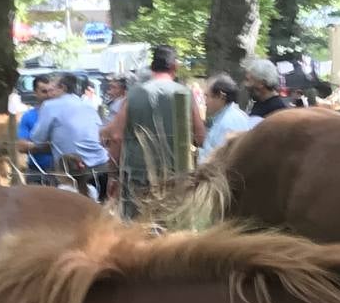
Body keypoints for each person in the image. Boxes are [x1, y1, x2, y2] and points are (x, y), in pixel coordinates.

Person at [106, 44, 205, 219]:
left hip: (138, 177)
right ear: (175, 66)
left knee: (136, 229)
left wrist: (113, 175)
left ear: (152, 67)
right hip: (176, 179)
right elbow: (200, 136)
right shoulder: (184, 94)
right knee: (172, 228)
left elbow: (116, 136)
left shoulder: (134, 95)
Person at [30, 72, 109, 199]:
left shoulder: (50, 106)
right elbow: (101, 134)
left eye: (52, 89)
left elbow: (37, 139)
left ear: (63, 88)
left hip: (73, 172)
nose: (49, 94)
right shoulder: (88, 105)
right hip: (102, 165)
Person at [199, 73, 252, 163]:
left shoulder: (230, 122)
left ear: (221, 96)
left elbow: (226, 163)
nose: (205, 102)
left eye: (207, 96)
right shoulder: (226, 117)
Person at [16, 74, 55, 184]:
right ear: (35, 92)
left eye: (51, 91)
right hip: (35, 170)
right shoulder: (28, 116)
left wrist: (35, 146)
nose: (48, 95)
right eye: (44, 91)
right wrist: (50, 146)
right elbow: (21, 146)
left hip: (60, 171)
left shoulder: (62, 114)